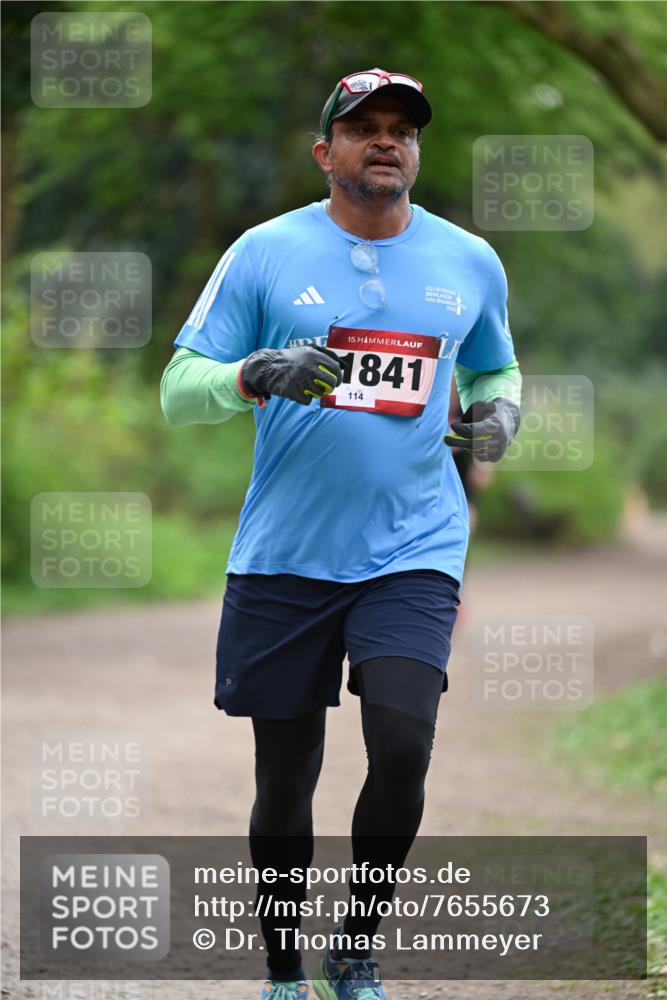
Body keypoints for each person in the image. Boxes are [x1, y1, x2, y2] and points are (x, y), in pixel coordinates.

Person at [160, 67, 522, 1000]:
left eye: (401, 128)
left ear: (415, 151)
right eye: (363, 128)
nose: (386, 141)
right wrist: (252, 374)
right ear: (326, 153)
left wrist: (497, 414)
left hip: (415, 546)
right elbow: (177, 390)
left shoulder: (467, 261)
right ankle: (285, 967)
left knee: (402, 743)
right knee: (286, 779)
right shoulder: (263, 253)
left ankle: (353, 948)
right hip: (285, 553)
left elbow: (495, 369)